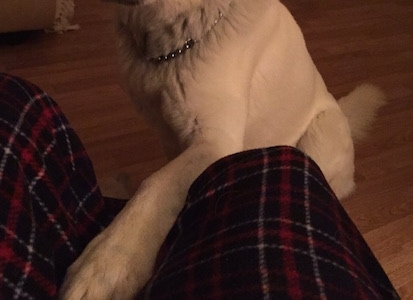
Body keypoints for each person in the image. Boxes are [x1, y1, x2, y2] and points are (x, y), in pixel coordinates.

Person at [0, 73, 399, 299]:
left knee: (294, 165)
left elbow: (217, 145)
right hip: (269, 196)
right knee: (285, 171)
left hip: (306, 142)